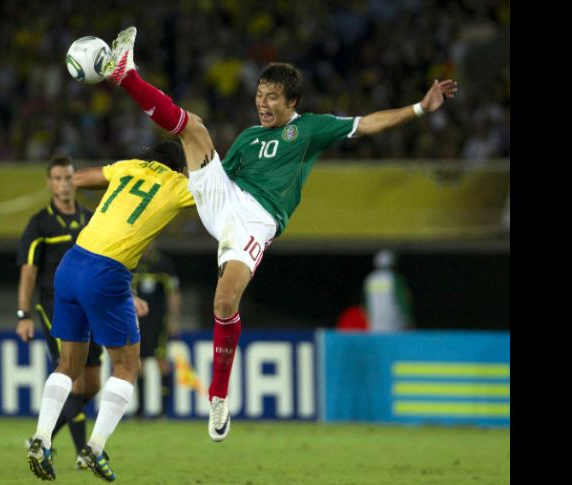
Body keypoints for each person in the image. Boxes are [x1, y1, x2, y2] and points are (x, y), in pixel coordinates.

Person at [99, 26, 458, 442]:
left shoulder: (310, 130)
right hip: (227, 202)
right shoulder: (249, 138)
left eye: (272, 97)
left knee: (224, 299)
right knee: (193, 127)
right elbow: (221, 178)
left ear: (292, 102)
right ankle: (126, 74)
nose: (262, 103)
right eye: (259, 94)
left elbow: (367, 124)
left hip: (256, 220)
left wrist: (419, 108)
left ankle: (218, 396)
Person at [27, 140, 195, 482]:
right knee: (127, 365)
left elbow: (80, 178)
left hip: (71, 263)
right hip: (107, 271)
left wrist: (112, 183)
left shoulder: (129, 167)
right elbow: (219, 195)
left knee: (67, 364)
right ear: (180, 167)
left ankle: (41, 439)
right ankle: (95, 448)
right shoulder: (178, 184)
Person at [15, 154, 102, 468]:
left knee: (93, 386)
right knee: (74, 378)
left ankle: (44, 434)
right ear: (49, 183)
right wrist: (23, 315)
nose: (64, 184)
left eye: (69, 178)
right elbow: (28, 271)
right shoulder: (40, 223)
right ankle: (84, 453)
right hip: (56, 305)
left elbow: (111, 260)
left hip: (91, 306)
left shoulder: (93, 219)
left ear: (76, 180)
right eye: (58, 179)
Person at [131, 240, 182, 418]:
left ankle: (163, 410)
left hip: (158, 321)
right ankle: (140, 409)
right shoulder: (133, 263)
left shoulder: (163, 264)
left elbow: (173, 292)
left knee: (161, 360)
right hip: (137, 321)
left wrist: (174, 318)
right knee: (139, 363)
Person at [363, 249, 414, 332]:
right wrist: (409, 321)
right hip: (395, 325)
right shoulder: (395, 278)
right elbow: (403, 301)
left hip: (375, 326)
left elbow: (365, 305)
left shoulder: (370, 279)